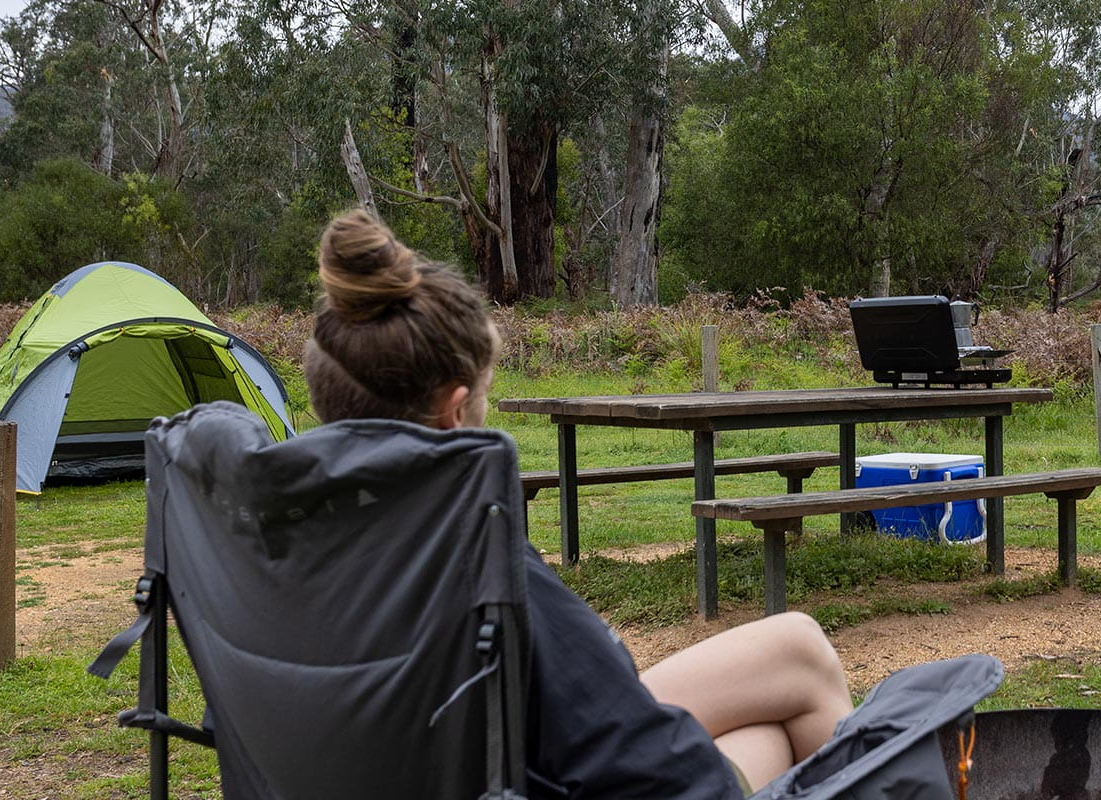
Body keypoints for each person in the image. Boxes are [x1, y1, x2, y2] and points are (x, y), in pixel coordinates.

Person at [303, 209, 853, 798]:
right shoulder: (473, 557)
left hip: (435, 757)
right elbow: (651, 767)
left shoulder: (289, 538)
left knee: (793, 646)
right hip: (524, 773)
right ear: (454, 411)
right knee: (775, 720)